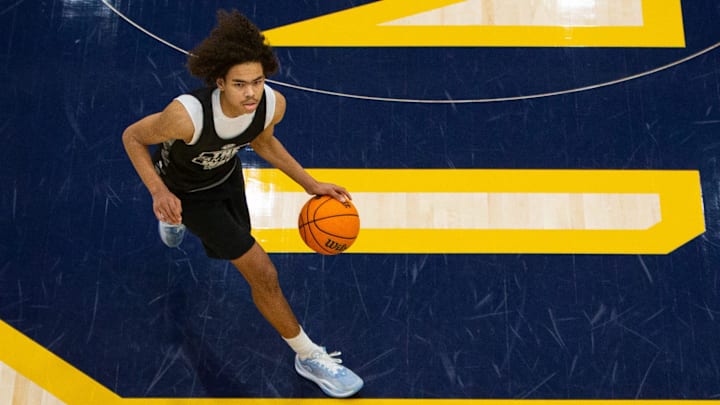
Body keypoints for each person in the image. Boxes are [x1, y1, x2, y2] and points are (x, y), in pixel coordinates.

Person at [121, 9, 363, 398]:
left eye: (257, 81)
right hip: (188, 194)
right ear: (219, 82)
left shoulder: (270, 104)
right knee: (262, 273)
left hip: (226, 181)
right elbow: (132, 137)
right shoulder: (185, 116)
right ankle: (308, 355)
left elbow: (263, 141)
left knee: (234, 247)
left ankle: (175, 219)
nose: (250, 93)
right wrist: (159, 192)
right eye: (239, 84)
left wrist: (311, 184)